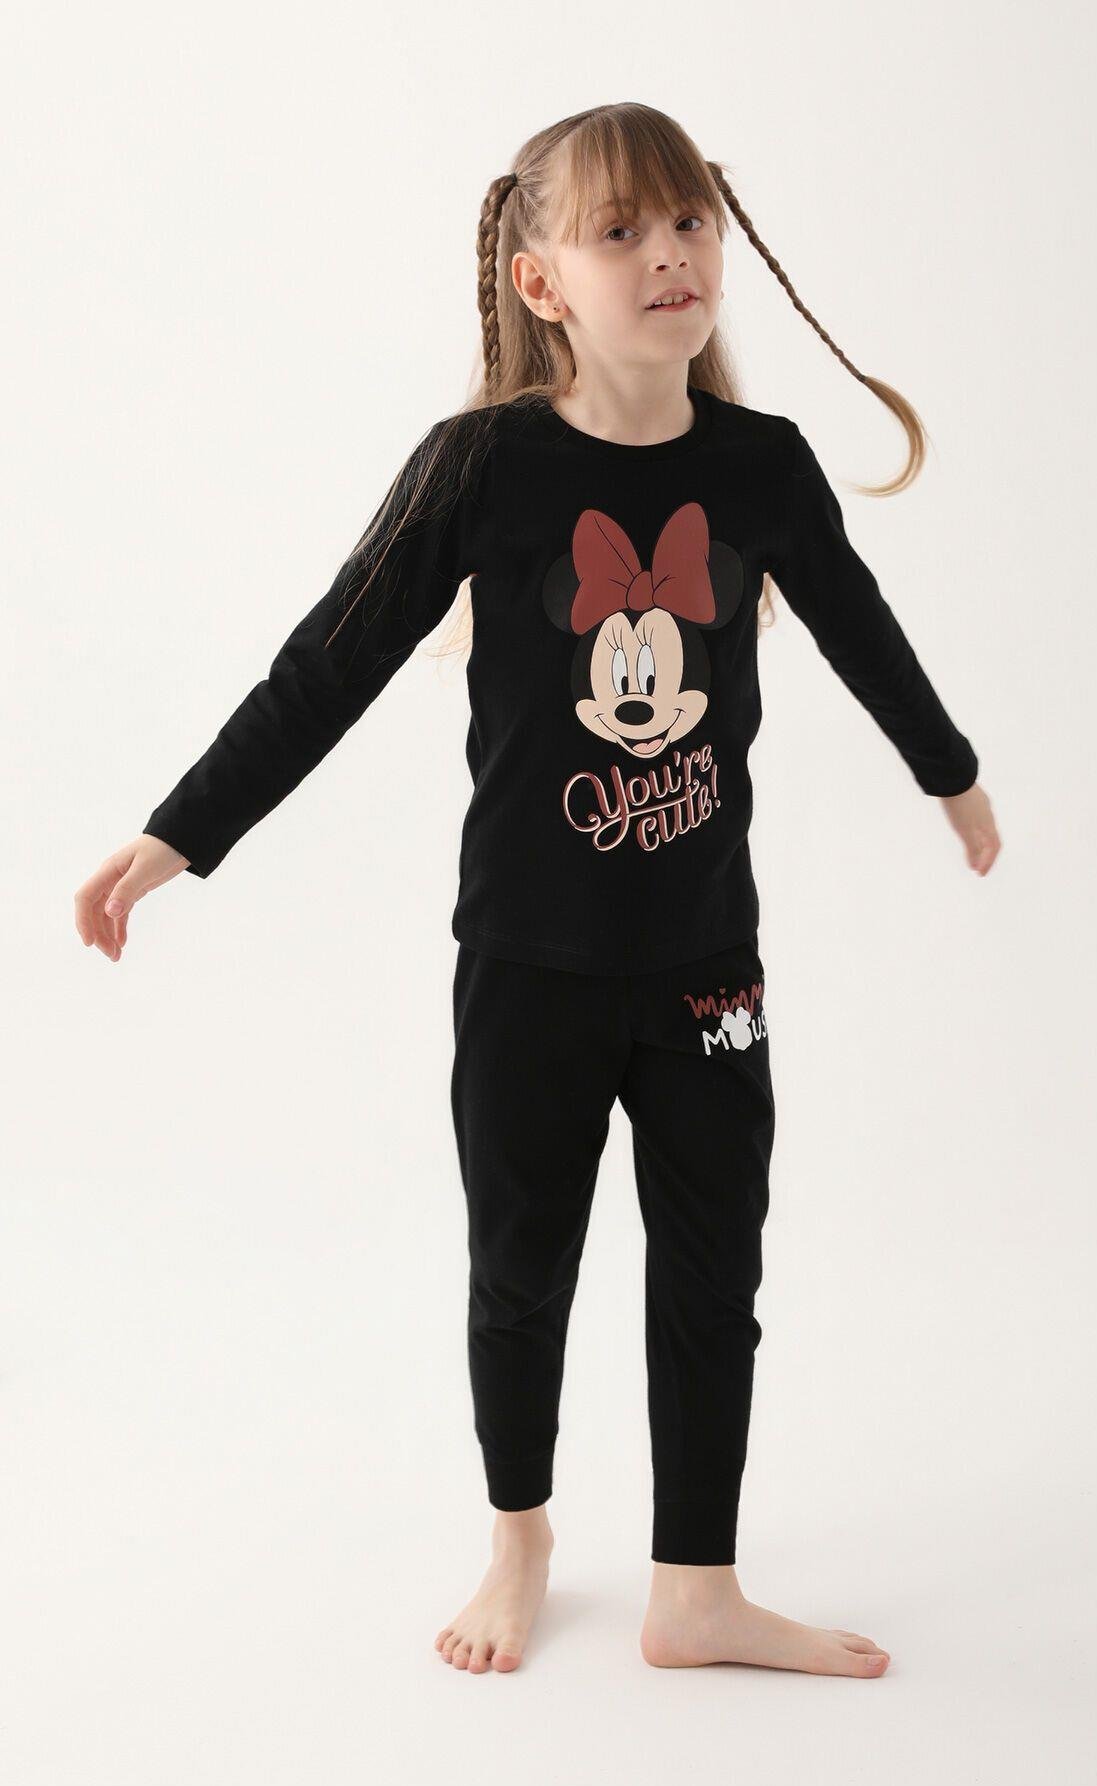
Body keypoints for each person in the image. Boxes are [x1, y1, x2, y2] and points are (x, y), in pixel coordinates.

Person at [74, 102, 1001, 1679]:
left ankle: (695, 1589)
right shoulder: (482, 469)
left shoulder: (762, 468)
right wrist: (178, 836)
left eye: (691, 220)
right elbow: (326, 666)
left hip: (708, 966)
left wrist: (952, 775)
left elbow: (863, 632)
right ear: (542, 280)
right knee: (522, 1269)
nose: (670, 253)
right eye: (622, 230)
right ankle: (520, 1543)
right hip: (528, 966)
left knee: (714, 1268)